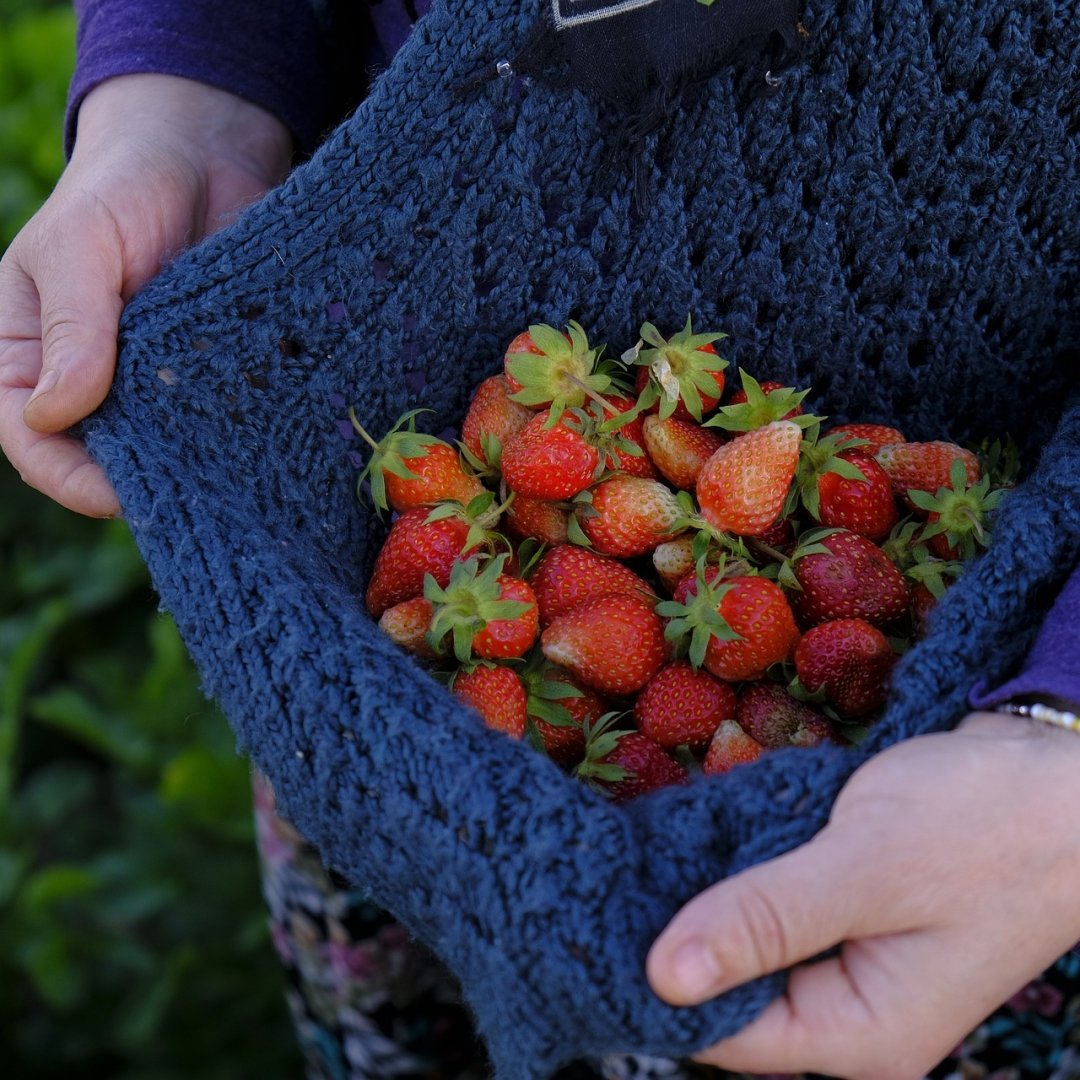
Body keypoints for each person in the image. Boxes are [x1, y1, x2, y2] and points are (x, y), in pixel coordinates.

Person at [2, 3, 1079, 1079]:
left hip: (1000, 816)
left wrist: (1057, 722)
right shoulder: (508, 573)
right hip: (385, 699)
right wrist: (192, 96)